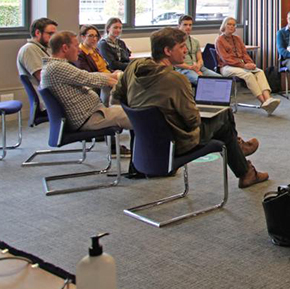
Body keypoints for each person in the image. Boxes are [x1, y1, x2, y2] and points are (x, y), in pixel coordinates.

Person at [113, 27, 269, 189]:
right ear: (167, 50)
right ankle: (242, 159)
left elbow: (116, 96)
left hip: (147, 141)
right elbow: (192, 120)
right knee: (224, 115)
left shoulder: (133, 67)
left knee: (222, 124)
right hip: (178, 141)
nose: (186, 50)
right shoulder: (175, 80)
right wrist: (195, 108)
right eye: (181, 46)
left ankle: (241, 155)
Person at [40, 31, 131, 133]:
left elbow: (87, 75)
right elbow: (89, 78)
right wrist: (117, 80)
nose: (79, 49)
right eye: (75, 46)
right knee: (138, 116)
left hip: (92, 113)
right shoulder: (57, 67)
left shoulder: (55, 66)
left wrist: (113, 76)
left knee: (132, 112)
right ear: (65, 48)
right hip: (89, 118)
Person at [215, 17, 281, 115]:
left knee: (259, 71)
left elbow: (245, 54)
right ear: (224, 25)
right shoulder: (219, 40)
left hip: (241, 65)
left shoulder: (237, 38)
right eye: (229, 24)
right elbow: (226, 59)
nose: (231, 27)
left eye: (234, 25)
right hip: (226, 67)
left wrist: (251, 64)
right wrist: (244, 66)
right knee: (248, 75)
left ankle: (268, 99)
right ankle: (264, 103)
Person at [174, 15, 222, 84]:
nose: (188, 27)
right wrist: (191, 68)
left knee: (221, 79)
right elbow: (175, 63)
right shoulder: (174, 41)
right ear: (179, 26)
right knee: (201, 81)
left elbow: (200, 59)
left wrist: (198, 67)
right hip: (184, 69)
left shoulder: (195, 41)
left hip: (199, 68)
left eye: (190, 25)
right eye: (185, 25)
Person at [74, 25, 114, 104]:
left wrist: (114, 72)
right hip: (97, 80)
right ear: (82, 37)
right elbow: (87, 74)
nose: (94, 39)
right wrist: (111, 76)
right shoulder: (80, 53)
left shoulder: (95, 49)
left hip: (106, 75)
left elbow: (105, 66)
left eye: (96, 36)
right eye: (91, 36)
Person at [17, 17, 57, 89]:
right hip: (46, 96)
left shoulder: (42, 48)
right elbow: (44, 79)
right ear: (38, 33)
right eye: (50, 34)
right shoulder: (29, 49)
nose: (53, 38)